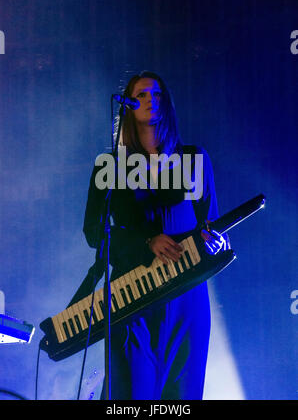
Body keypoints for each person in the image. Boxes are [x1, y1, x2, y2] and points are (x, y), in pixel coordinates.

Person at [82, 70, 229, 400]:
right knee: (131, 397)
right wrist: (144, 243)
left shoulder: (195, 159)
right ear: (129, 106)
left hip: (186, 301)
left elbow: (213, 225)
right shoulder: (109, 165)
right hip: (134, 299)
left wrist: (216, 242)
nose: (151, 101)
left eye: (157, 94)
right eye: (142, 95)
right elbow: (94, 233)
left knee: (182, 397)